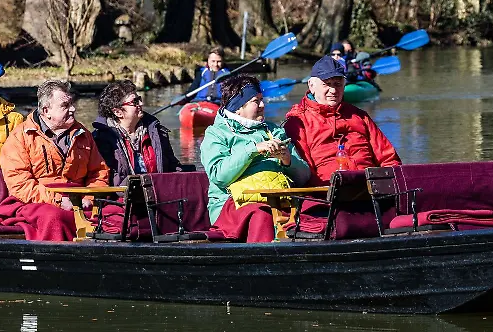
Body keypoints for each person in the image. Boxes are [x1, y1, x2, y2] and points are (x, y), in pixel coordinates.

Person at [201, 75, 310, 242]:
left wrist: (287, 160)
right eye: (255, 101)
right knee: (262, 215)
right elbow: (219, 176)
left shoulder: (274, 131)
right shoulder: (216, 134)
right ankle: (262, 256)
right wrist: (253, 149)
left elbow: (303, 177)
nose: (262, 105)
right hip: (232, 205)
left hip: (278, 201)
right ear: (237, 108)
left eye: (261, 99)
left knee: (313, 210)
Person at [0, 79, 111, 241]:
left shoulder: (83, 134)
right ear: (46, 111)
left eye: (71, 104)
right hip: (36, 203)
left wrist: (89, 198)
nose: (73, 109)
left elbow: (99, 172)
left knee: (114, 214)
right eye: (65, 105)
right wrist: (58, 200)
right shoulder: (19, 137)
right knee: (54, 218)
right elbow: (20, 185)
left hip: (81, 201)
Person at [284, 56, 401, 186]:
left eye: (338, 84)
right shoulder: (297, 122)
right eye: (326, 84)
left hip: (370, 189)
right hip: (327, 192)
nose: (333, 90)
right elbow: (302, 173)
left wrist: (391, 185)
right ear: (311, 85)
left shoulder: (360, 116)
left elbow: (389, 159)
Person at [93, 80, 185, 186]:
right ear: (118, 112)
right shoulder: (101, 139)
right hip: (122, 194)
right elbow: (106, 178)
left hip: (157, 191)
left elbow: (172, 166)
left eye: (139, 99)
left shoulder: (157, 132)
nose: (141, 104)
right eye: (135, 102)